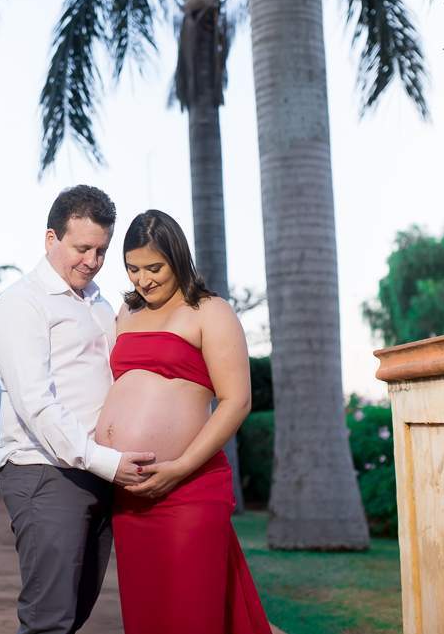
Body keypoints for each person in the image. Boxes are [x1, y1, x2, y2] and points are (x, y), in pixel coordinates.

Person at [0, 185, 155, 634]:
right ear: (51, 239)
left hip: (98, 474)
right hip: (46, 473)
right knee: (49, 621)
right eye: (82, 248)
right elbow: (36, 404)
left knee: (73, 613)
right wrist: (107, 462)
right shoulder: (19, 305)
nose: (93, 261)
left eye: (102, 250)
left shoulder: (100, 304)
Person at [97, 209, 273, 634]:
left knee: (191, 613)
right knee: (147, 616)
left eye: (154, 268)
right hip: (131, 496)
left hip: (189, 488)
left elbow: (236, 401)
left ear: (177, 258)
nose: (143, 280)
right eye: (133, 269)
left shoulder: (210, 311)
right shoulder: (126, 312)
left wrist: (179, 467)